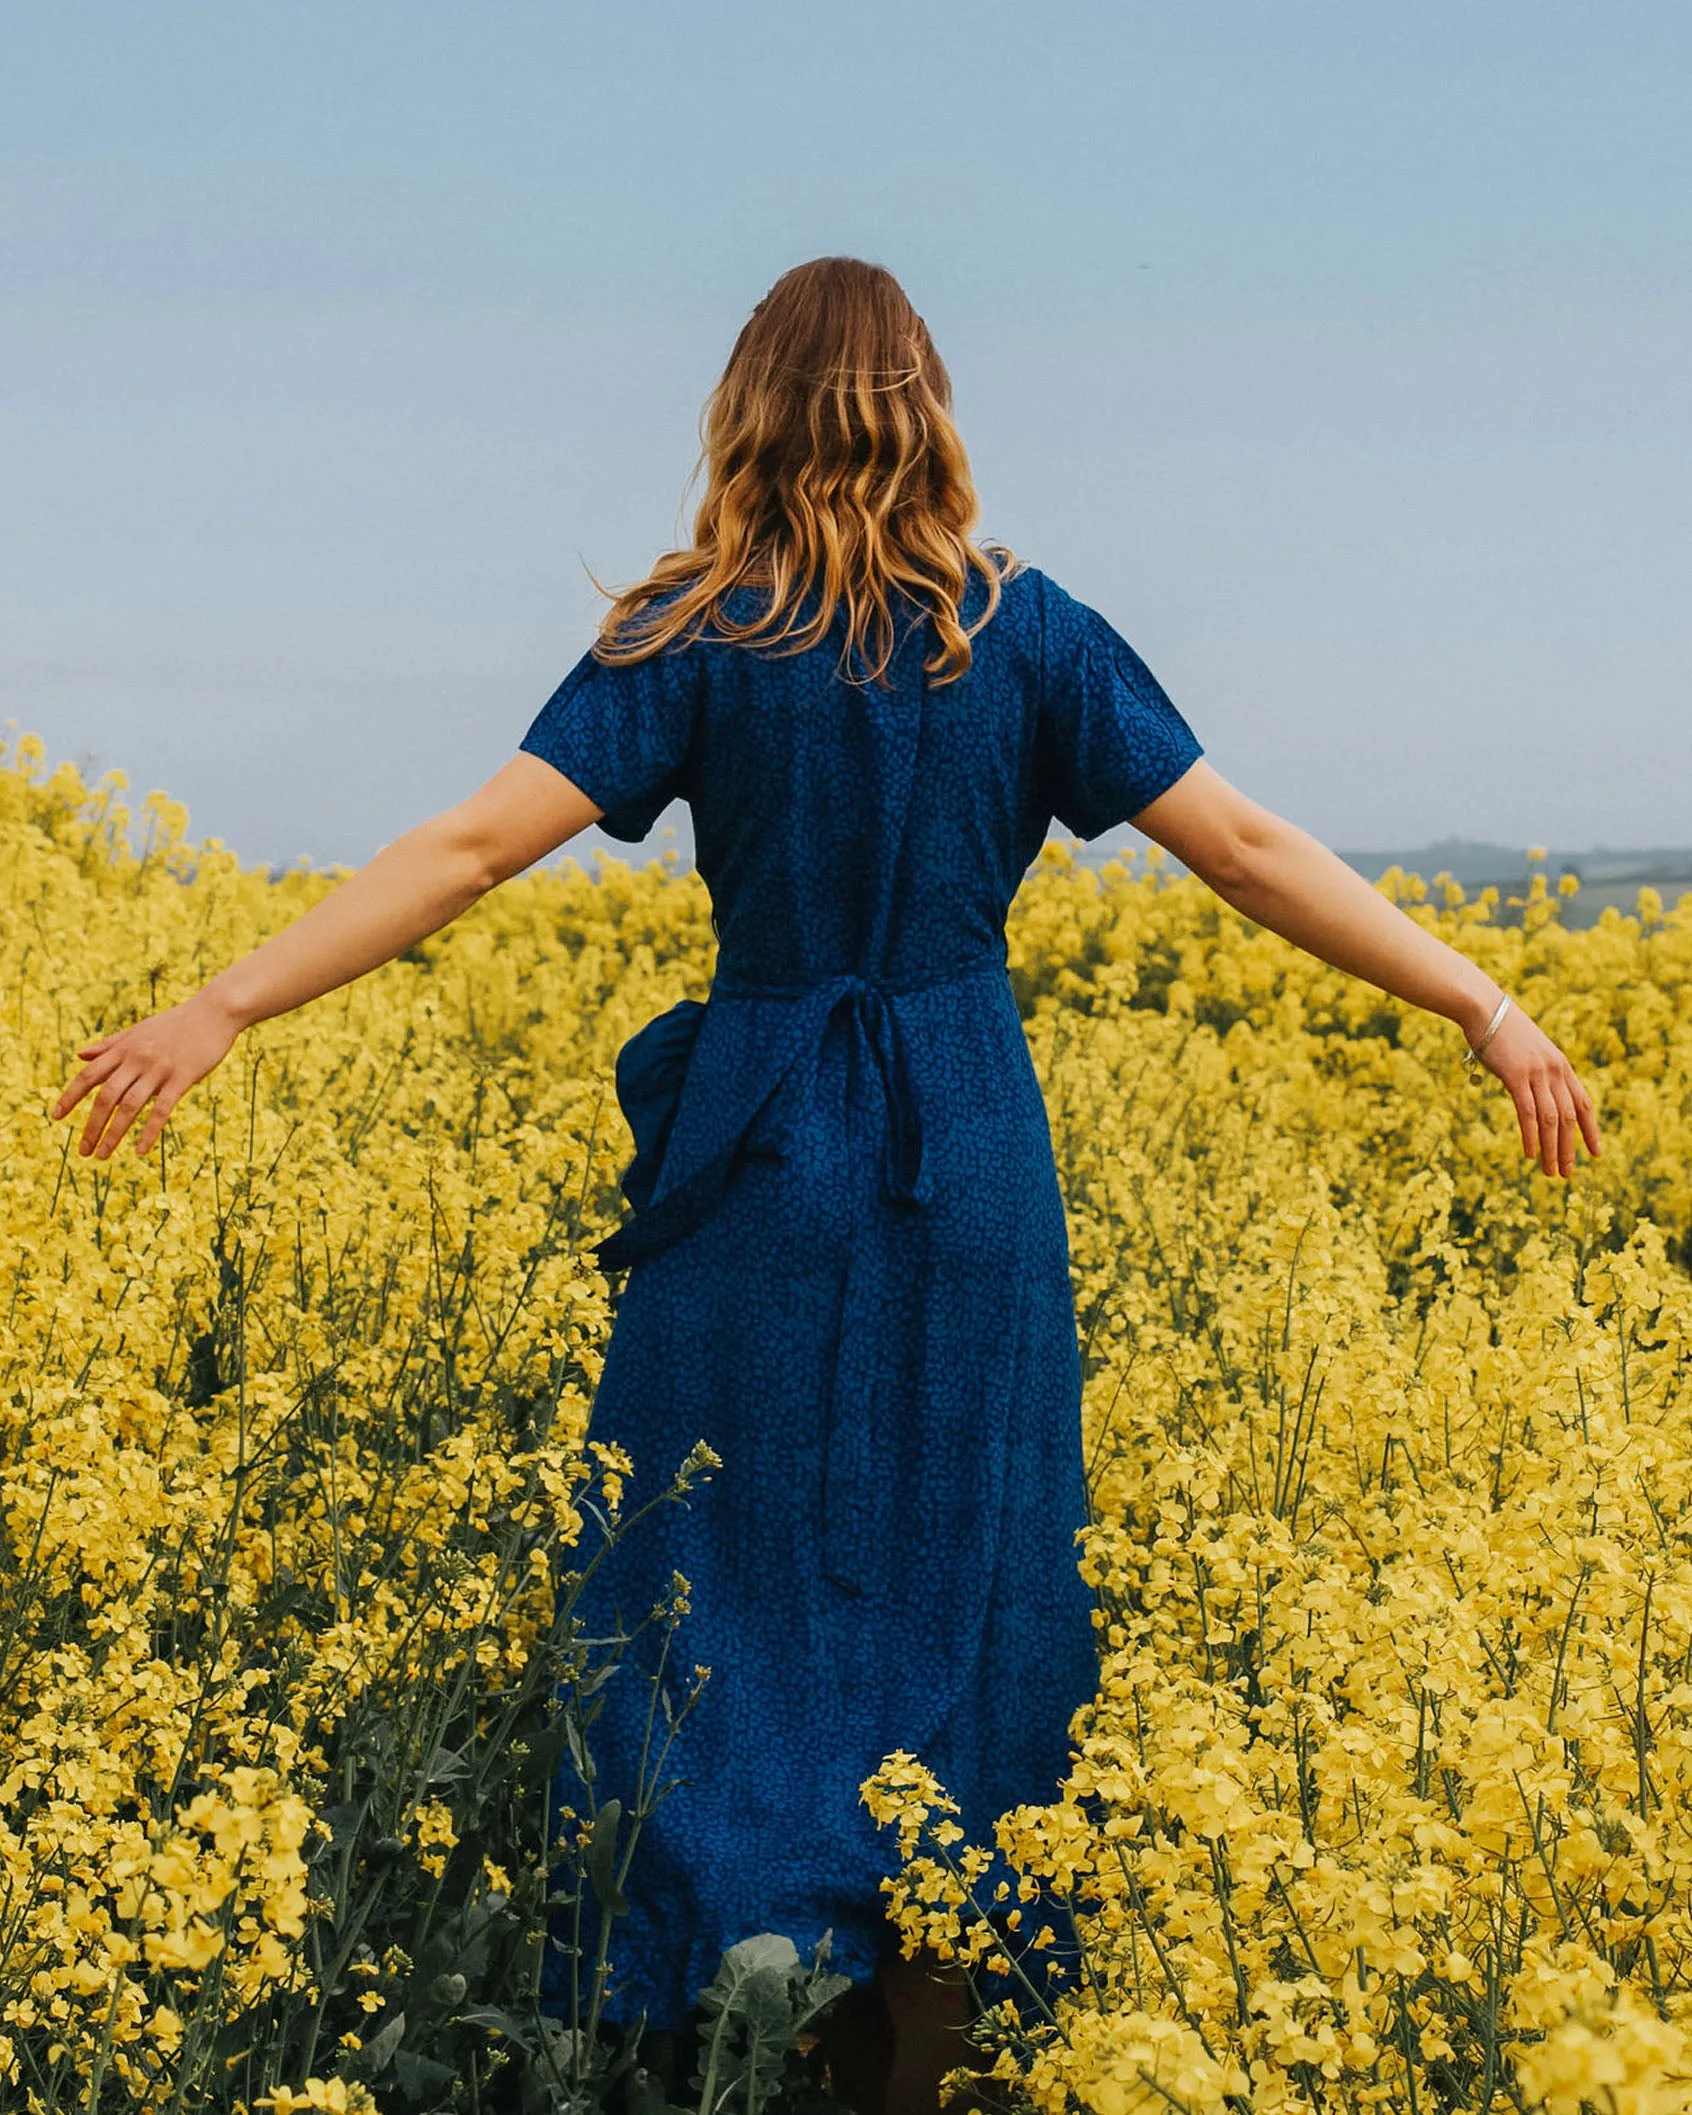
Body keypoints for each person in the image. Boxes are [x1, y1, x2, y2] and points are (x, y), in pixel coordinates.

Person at [51, 256, 1601, 2115]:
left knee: (712, 1567)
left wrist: (223, 1000)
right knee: (976, 1576)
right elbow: (1253, 851)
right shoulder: (1028, 632)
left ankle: (720, 1990)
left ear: (748, 411)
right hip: (966, 1151)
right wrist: (1482, 1000)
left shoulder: (699, 628)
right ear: (931, 406)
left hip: (760, 1154)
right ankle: (914, 2053)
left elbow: (472, 849)